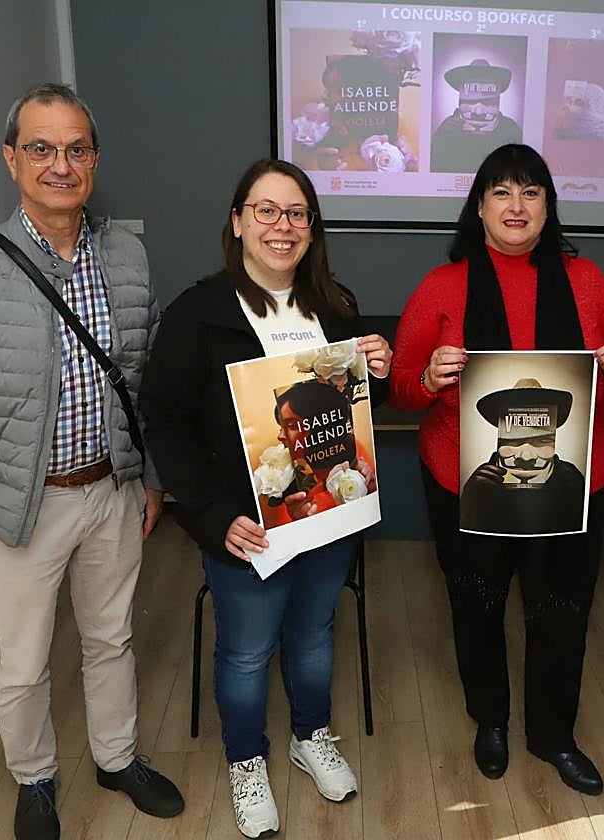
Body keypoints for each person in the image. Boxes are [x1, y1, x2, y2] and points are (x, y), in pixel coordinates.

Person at [0, 83, 183, 840]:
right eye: (42, 148)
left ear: (95, 159)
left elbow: (146, 379)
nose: (61, 164)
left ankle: (117, 759)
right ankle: (35, 780)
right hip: (17, 509)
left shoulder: (126, 255)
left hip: (113, 493)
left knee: (111, 638)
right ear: (11, 158)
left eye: (77, 148)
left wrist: (150, 479)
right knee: (22, 667)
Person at [139, 159, 392, 839]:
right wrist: (213, 516)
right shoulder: (199, 312)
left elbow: (355, 412)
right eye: (268, 211)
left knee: (313, 635)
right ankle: (247, 761)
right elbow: (163, 420)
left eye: (297, 213)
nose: (283, 226)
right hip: (245, 526)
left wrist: (380, 372)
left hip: (326, 517)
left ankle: (310, 737)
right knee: (247, 654)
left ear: (312, 228)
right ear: (239, 222)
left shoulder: (334, 306)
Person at [389, 143, 604, 795]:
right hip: (465, 480)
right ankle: (491, 721)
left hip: (570, 481)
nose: (517, 205)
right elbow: (401, 387)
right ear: (479, 206)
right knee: (477, 606)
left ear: (548, 206)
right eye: (502, 191)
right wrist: (427, 375)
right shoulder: (442, 286)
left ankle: (555, 736)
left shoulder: (587, 281)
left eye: (531, 192)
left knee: (562, 609)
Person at [461, 377, 587, 535]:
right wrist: (473, 503)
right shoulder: (482, 481)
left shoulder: (571, 480)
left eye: (541, 441)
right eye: (512, 441)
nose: (526, 456)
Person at [431, 59, 524, 173]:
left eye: (487, 101)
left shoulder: (510, 129)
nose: (478, 111)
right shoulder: (447, 129)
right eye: (470, 100)